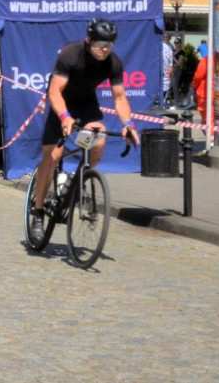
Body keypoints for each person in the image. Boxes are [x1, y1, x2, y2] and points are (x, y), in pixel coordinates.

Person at [28, 18, 141, 241]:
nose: (104, 49)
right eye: (100, 44)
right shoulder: (71, 54)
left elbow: (119, 98)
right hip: (61, 105)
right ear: (89, 40)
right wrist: (64, 117)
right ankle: (38, 211)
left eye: (109, 44)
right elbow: (54, 92)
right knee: (52, 157)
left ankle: (76, 179)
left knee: (98, 140)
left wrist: (128, 125)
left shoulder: (113, 62)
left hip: (86, 106)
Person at [191, 55, 208, 121]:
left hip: (204, 93)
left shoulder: (206, 60)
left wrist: (194, 86)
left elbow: (198, 76)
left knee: (205, 119)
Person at [160, 33, 174, 106]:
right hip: (157, 71)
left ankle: (162, 103)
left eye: (167, 37)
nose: (165, 38)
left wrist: (169, 73)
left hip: (165, 72)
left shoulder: (170, 49)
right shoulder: (158, 45)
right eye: (164, 37)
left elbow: (170, 64)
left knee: (165, 88)